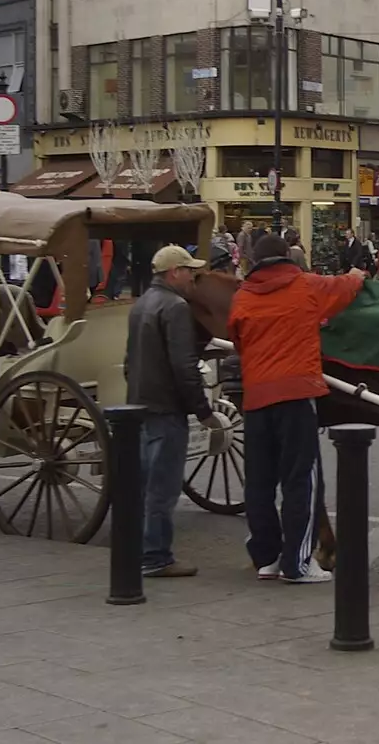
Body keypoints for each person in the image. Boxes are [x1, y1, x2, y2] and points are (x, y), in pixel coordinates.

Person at [228, 234, 367, 584]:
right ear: (286, 256)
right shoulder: (305, 285)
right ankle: (297, 563)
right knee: (300, 480)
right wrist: (358, 274)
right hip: (295, 393)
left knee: (259, 482)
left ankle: (267, 557)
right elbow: (345, 288)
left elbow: (237, 339)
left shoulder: (243, 296)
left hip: (257, 397)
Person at [124, 245, 220, 578]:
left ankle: (138, 549)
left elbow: (128, 360)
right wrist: (202, 410)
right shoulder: (176, 307)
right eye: (189, 272)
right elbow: (184, 365)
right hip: (166, 406)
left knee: (145, 483)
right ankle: (156, 556)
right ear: (174, 273)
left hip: (141, 402)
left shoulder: (141, 304)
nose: (193, 279)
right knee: (162, 488)